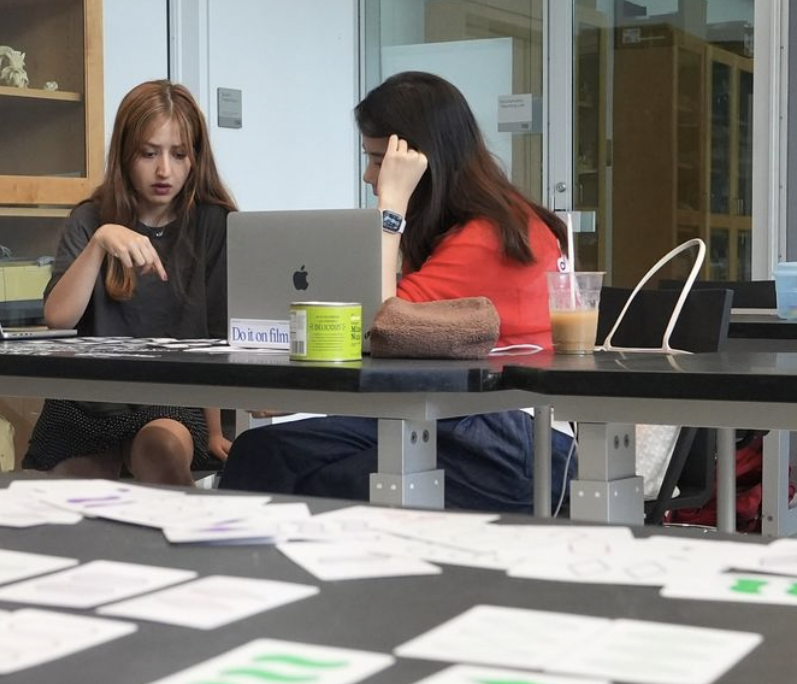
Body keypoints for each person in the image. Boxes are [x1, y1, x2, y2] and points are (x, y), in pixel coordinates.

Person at [218, 71, 576, 513]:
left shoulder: (489, 237)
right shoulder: (465, 225)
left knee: (335, 487)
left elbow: (382, 326)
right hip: (443, 414)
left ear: (421, 161)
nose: (370, 175)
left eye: (378, 162)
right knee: (261, 453)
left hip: (513, 439)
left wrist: (391, 207)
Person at [22, 80, 236, 485]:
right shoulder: (89, 219)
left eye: (179, 155)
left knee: (160, 455)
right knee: (53, 491)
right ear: (124, 154)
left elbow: (219, 334)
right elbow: (58, 318)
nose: (164, 171)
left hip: (172, 396)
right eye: (148, 153)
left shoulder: (213, 222)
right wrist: (100, 242)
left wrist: (215, 431)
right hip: (87, 399)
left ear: (196, 159)